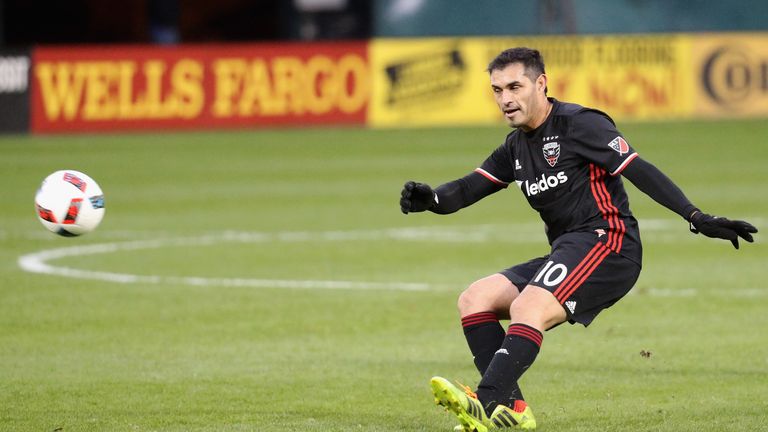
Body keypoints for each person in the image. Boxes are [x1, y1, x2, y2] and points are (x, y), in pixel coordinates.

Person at [399, 47, 757, 431]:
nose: (505, 99)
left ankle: (486, 402)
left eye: (515, 86)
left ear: (541, 83)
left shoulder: (581, 124)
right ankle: (510, 410)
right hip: (571, 249)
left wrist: (695, 216)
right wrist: (433, 200)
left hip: (610, 243)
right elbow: (470, 188)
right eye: (497, 90)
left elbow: (637, 167)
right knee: (475, 299)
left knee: (528, 307)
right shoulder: (516, 146)